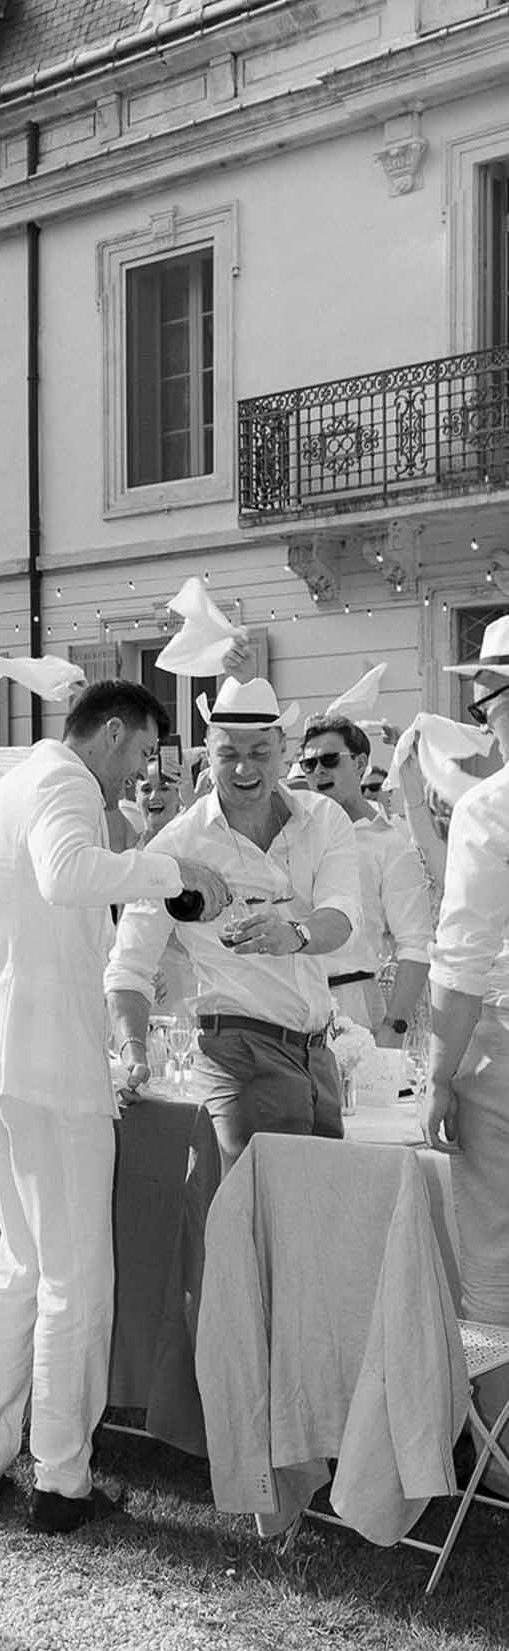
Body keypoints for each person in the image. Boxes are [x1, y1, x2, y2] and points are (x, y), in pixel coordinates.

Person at [0, 681, 231, 1533]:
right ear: (109, 734)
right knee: (73, 1278)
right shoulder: (63, 782)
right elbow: (67, 875)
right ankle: (62, 1483)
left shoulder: (2, 793)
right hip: (47, 1066)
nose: (139, 771)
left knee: (21, 1268)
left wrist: (145, 869)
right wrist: (172, 871)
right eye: (141, 752)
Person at [106, 677, 362, 1172]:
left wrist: (295, 934)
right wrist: (133, 1051)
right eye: (229, 755)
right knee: (261, 1227)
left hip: (318, 1058)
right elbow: (128, 967)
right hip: (237, 1059)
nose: (245, 768)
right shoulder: (173, 847)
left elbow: (343, 914)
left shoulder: (325, 818)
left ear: (284, 751)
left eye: (260, 752)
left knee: (320, 1228)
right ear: (207, 753)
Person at [424, 614, 509, 1487]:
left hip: (504, 1051)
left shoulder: (491, 805)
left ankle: (500, 1453)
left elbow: (463, 956)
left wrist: (440, 1079)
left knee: (489, 1262)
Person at [296, 714, 432, 1040]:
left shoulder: (390, 844)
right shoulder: (292, 833)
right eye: (309, 764)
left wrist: (394, 1027)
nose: (319, 771)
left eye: (329, 760)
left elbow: (416, 944)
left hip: (352, 1005)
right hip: (288, 1004)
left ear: (360, 764)